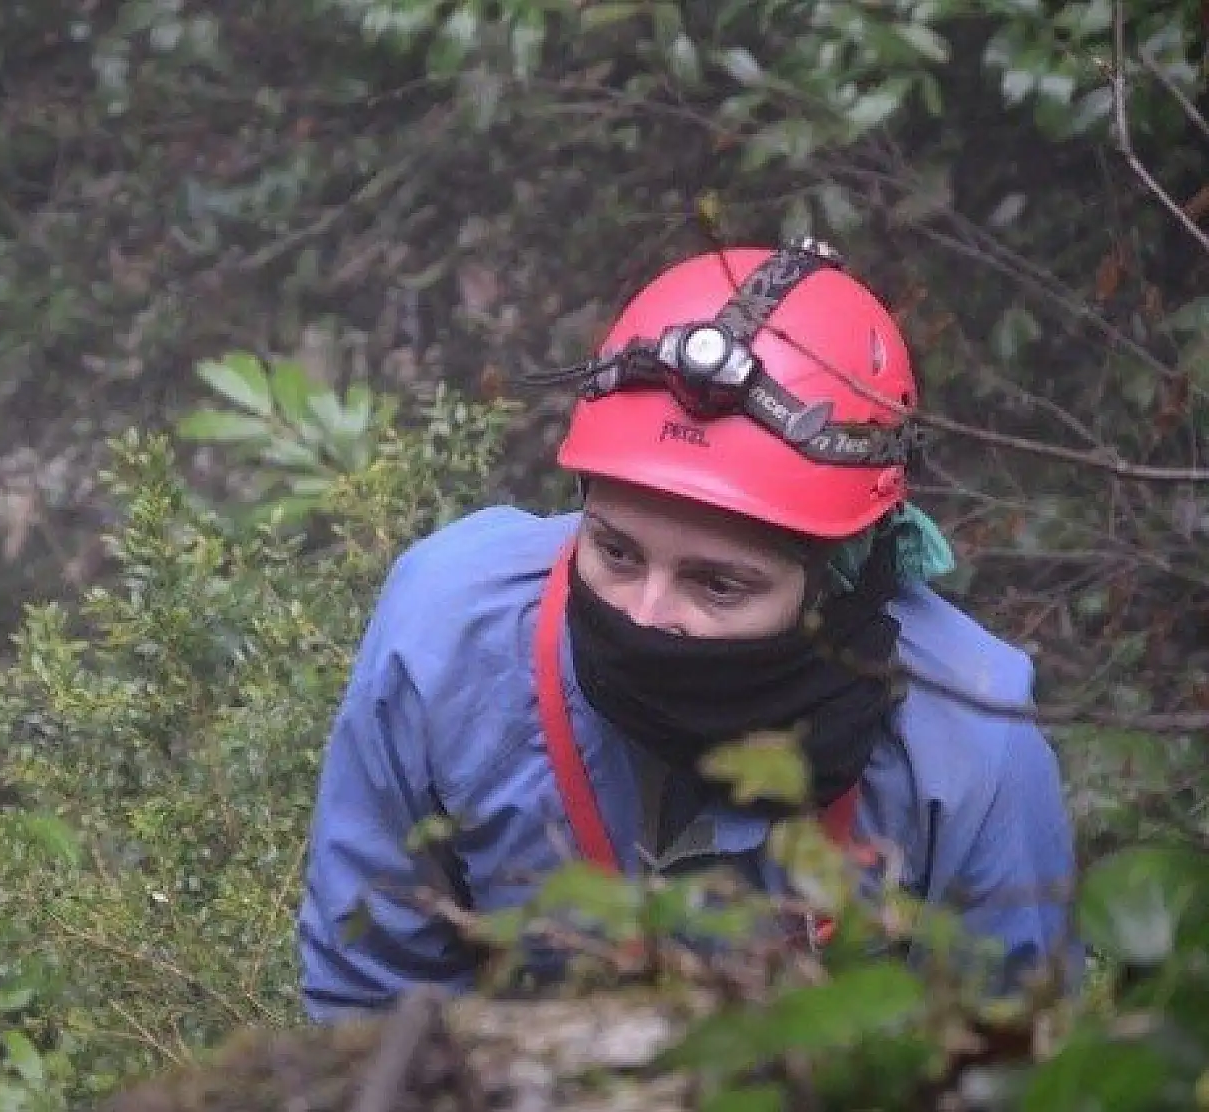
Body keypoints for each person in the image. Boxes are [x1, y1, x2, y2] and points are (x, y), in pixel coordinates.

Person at [295, 239, 1080, 1021]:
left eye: (718, 584)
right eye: (615, 551)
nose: (647, 615)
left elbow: (1017, 1071)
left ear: (837, 576)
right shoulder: (448, 635)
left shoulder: (967, 742)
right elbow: (371, 999)